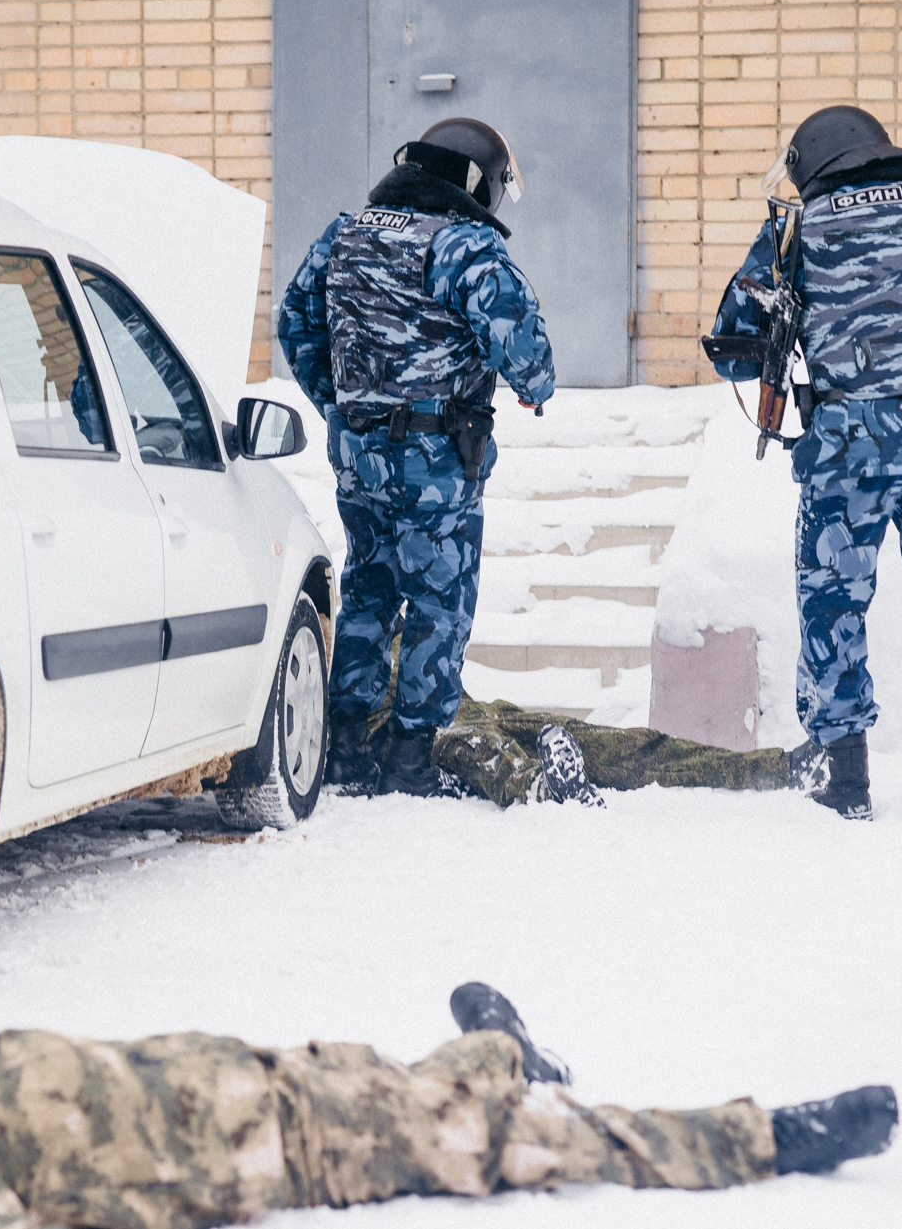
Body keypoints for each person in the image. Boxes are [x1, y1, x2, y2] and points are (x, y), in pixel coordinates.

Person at [0, 983, 899, 1229]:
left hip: (274, 1076)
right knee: (544, 1144)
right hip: (290, 1139)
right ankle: (771, 1135)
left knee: (434, 1081)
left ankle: (499, 1045)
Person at [707, 106, 902, 819]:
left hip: (847, 446)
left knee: (833, 602)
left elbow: (732, 340)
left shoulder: (796, 230)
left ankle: (844, 779)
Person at [277, 118, 555, 797]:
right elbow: (526, 352)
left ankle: (341, 747)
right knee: (438, 600)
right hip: (436, 459)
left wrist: (341, 404)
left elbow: (293, 321)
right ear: (475, 182)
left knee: (369, 589)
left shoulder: (343, 232)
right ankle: (407, 756)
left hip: (358, 454)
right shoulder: (463, 244)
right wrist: (532, 386)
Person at [431, 695, 795, 809]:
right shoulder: (374, 639)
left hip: (481, 709)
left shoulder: (397, 623)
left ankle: (780, 768)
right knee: (483, 749)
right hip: (422, 732)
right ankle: (542, 788)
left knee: (625, 746)